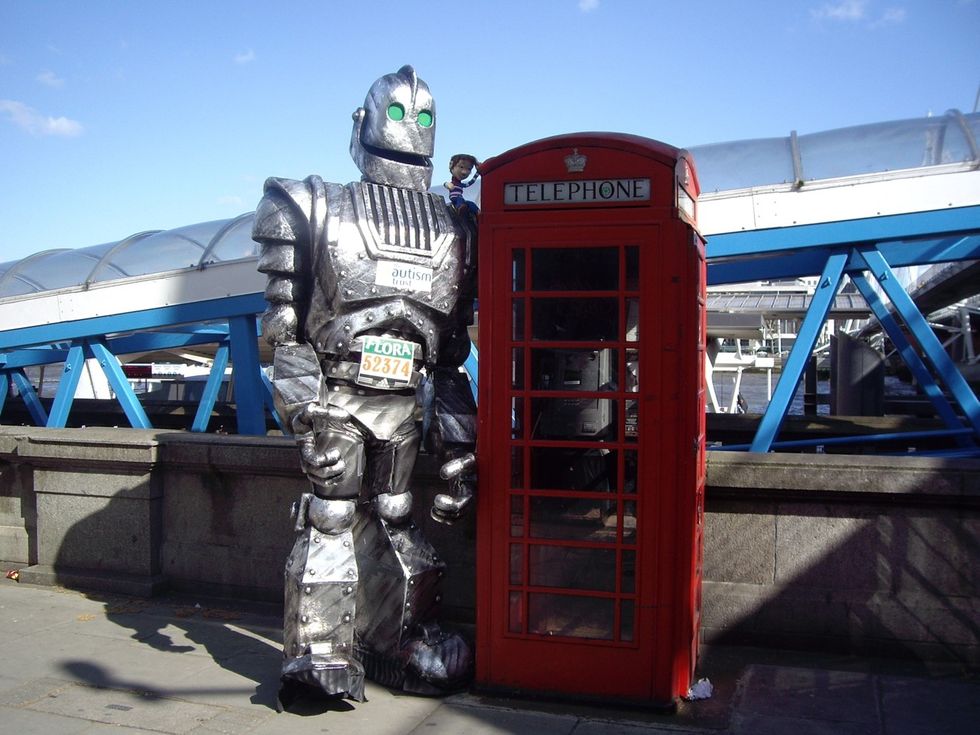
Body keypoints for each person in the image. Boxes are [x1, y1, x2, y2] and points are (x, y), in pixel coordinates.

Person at [252, 65, 477, 707]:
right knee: (328, 517)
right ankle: (317, 654)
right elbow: (285, 334)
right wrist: (304, 414)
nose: (410, 126)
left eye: (421, 117)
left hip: (405, 401)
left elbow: (451, 353)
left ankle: (398, 637)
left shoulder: (459, 228)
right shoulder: (311, 204)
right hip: (338, 395)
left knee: (398, 516)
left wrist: (461, 441)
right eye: (404, 115)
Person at [445, 153, 480, 218]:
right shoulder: (453, 183)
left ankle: (478, 213)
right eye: (461, 167)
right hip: (455, 198)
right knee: (459, 200)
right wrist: (448, 185)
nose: (464, 172)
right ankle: (460, 209)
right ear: (451, 165)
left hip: (461, 198)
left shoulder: (461, 184)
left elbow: (471, 182)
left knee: (470, 203)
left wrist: (478, 172)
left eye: (469, 169)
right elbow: (445, 184)